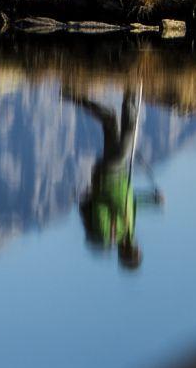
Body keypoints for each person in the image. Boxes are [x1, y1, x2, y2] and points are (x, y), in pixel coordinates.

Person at [65, 84, 162, 270]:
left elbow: (100, 206)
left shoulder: (109, 233)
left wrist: (114, 212)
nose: (135, 246)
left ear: (123, 253)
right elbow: (131, 202)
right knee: (110, 119)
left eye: (132, 251)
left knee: (127, 138)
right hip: (118, 174)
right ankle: (74, 95)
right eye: (136, 249)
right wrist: (153, 200)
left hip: (107, 177)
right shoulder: (128, 231)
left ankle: (130, 88)